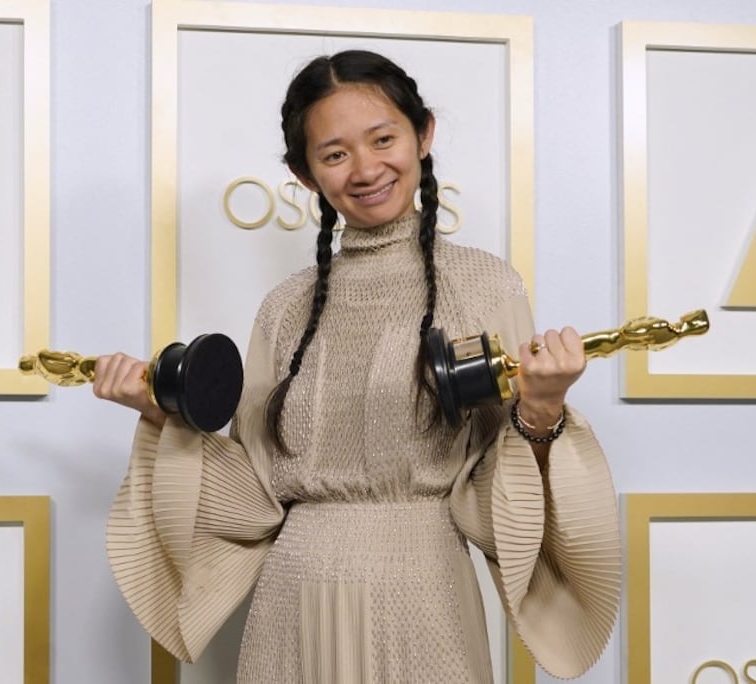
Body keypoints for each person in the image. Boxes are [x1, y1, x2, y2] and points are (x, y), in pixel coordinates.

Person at [95, 50, 620, 683]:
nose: (367, 169)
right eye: (336, 153)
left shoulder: (485, 286)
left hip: (426, 593)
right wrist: (162, 415)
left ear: (422, 134)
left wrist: (542, 410)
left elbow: (496, 490)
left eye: (384, 139)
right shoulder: (285, 307)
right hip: (294, 595)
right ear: (306, 173)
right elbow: (255, 494)